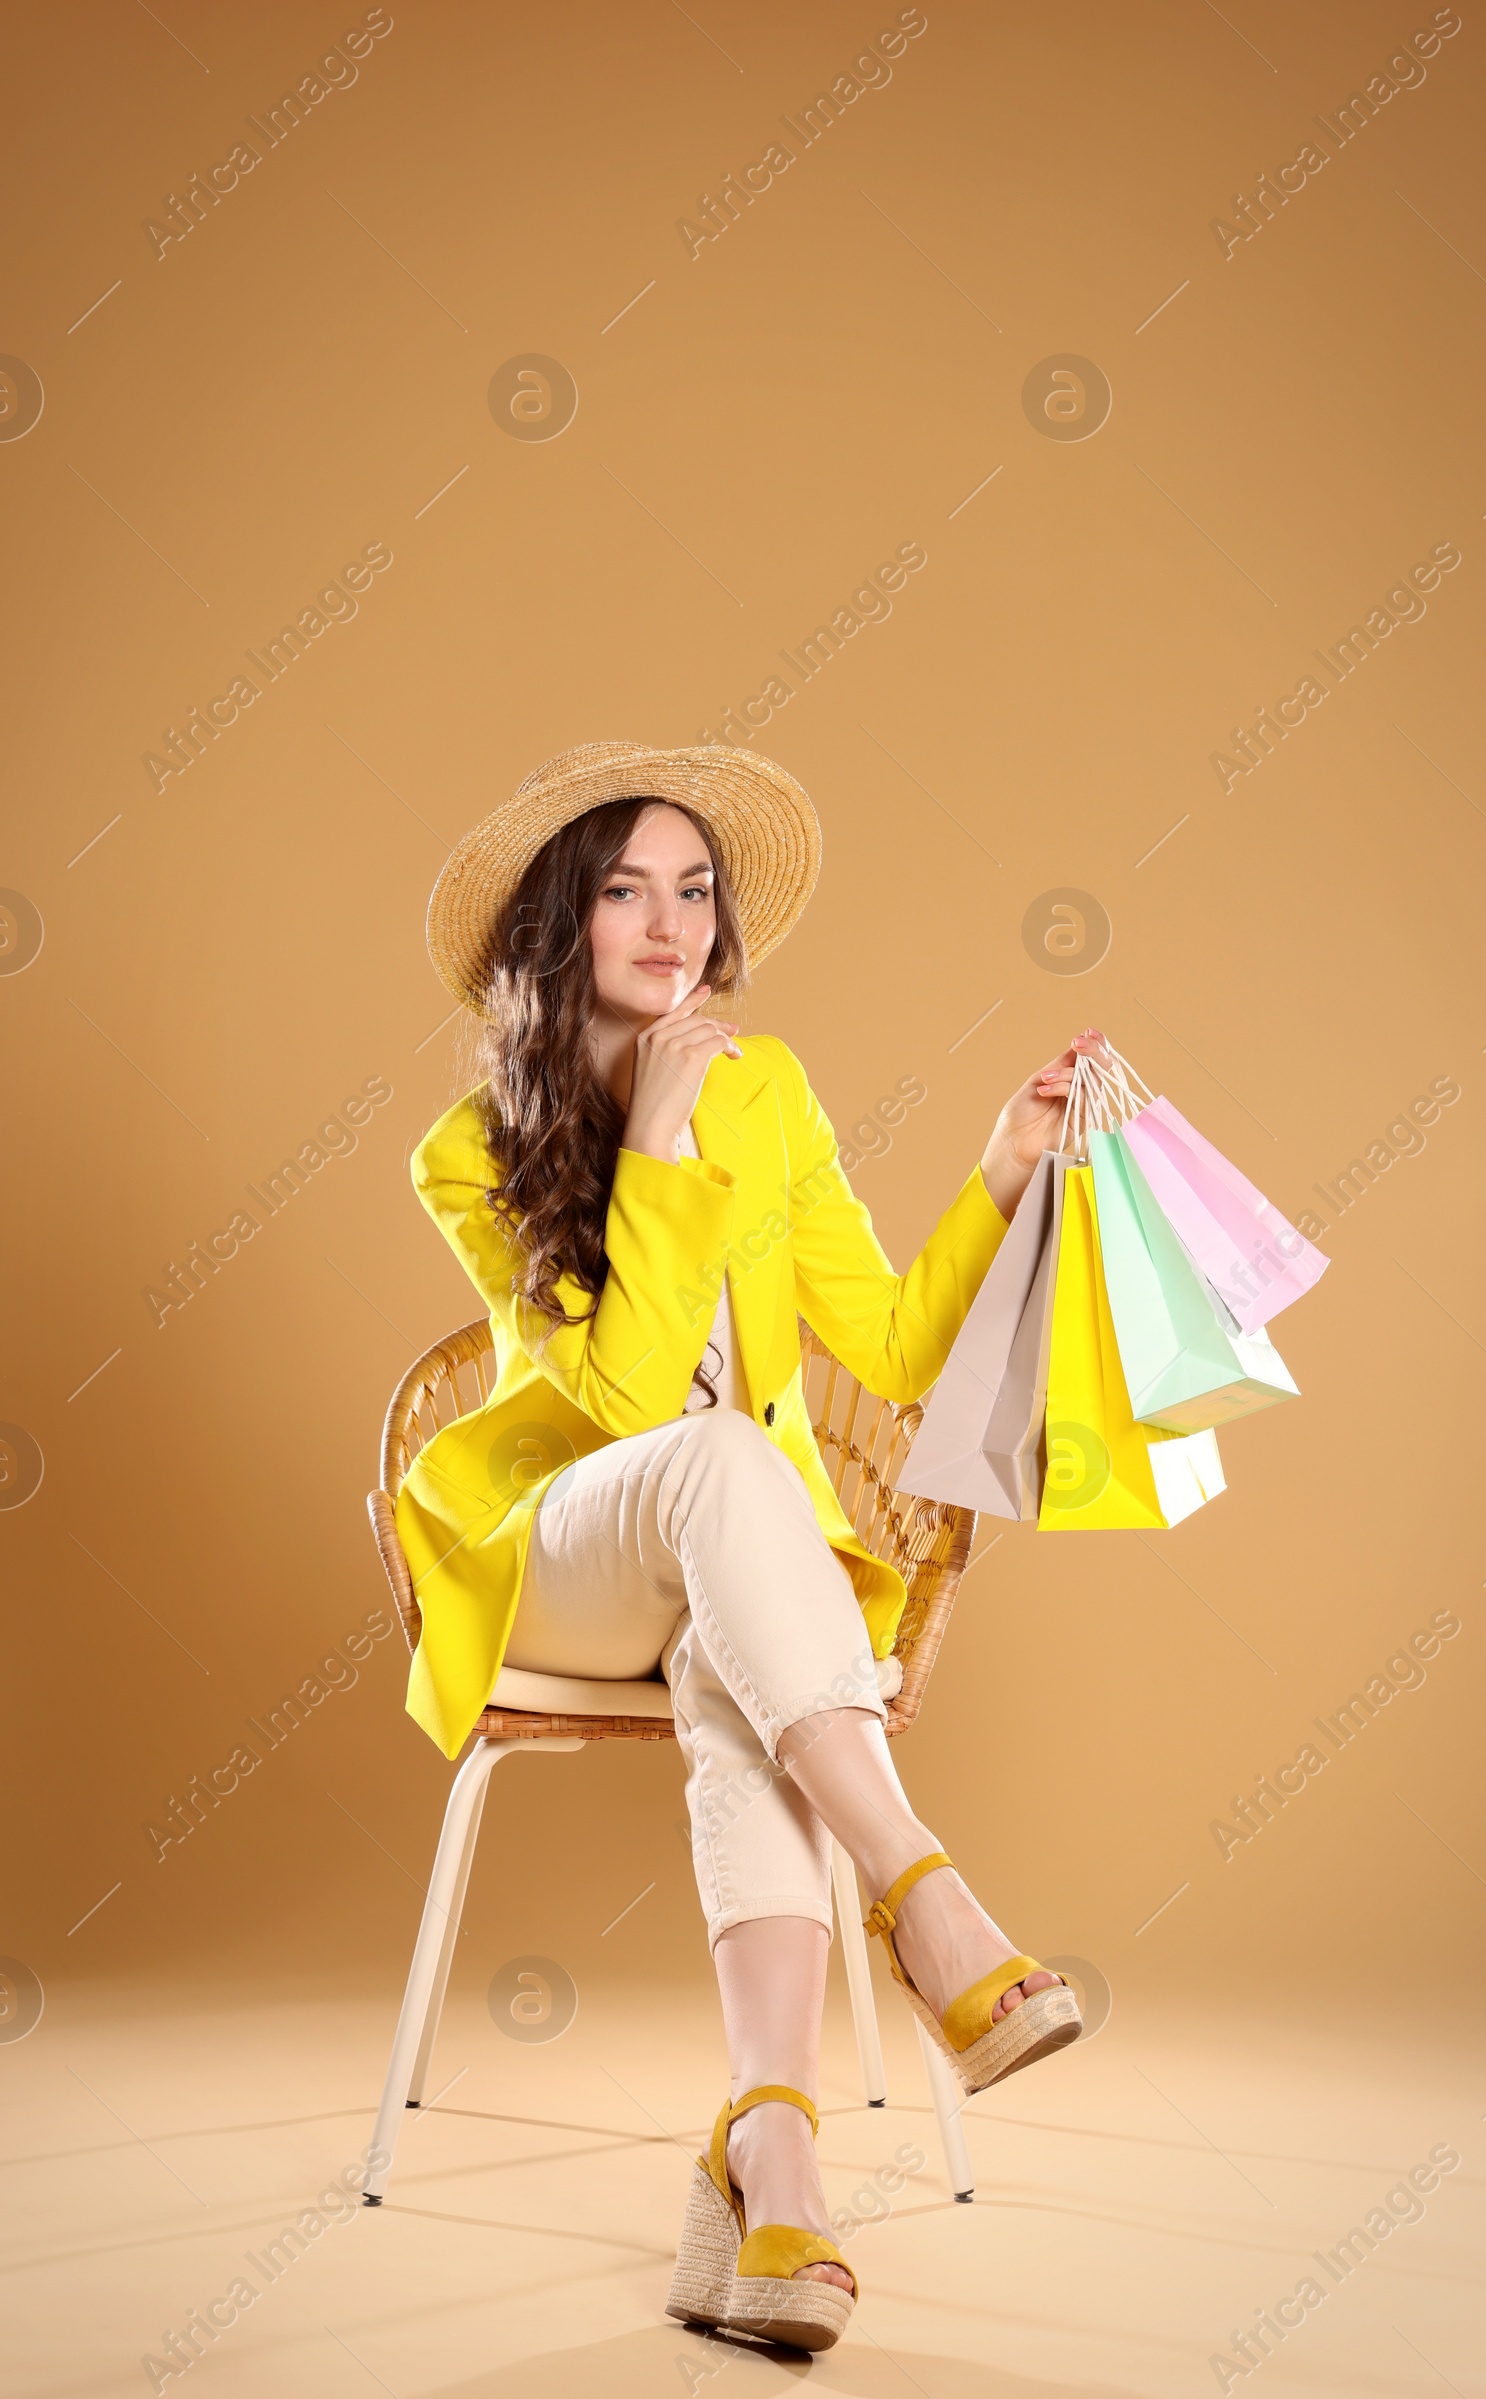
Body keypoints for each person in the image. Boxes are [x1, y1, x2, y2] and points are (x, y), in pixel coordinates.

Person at [395, 740, 1087, 2351]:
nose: (670, 923)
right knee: (711, 1461)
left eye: (693, 889)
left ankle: (772, 2167)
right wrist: (650, 1140)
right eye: (625, 888)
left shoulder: (768, 1094)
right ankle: (925, 1896)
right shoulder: (468, 1147)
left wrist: (999, 1168)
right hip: (555, 1558)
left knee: (744, 1683)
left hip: (725, 1578)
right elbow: (630, 1403)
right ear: (557, 922)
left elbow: (897, 1348)